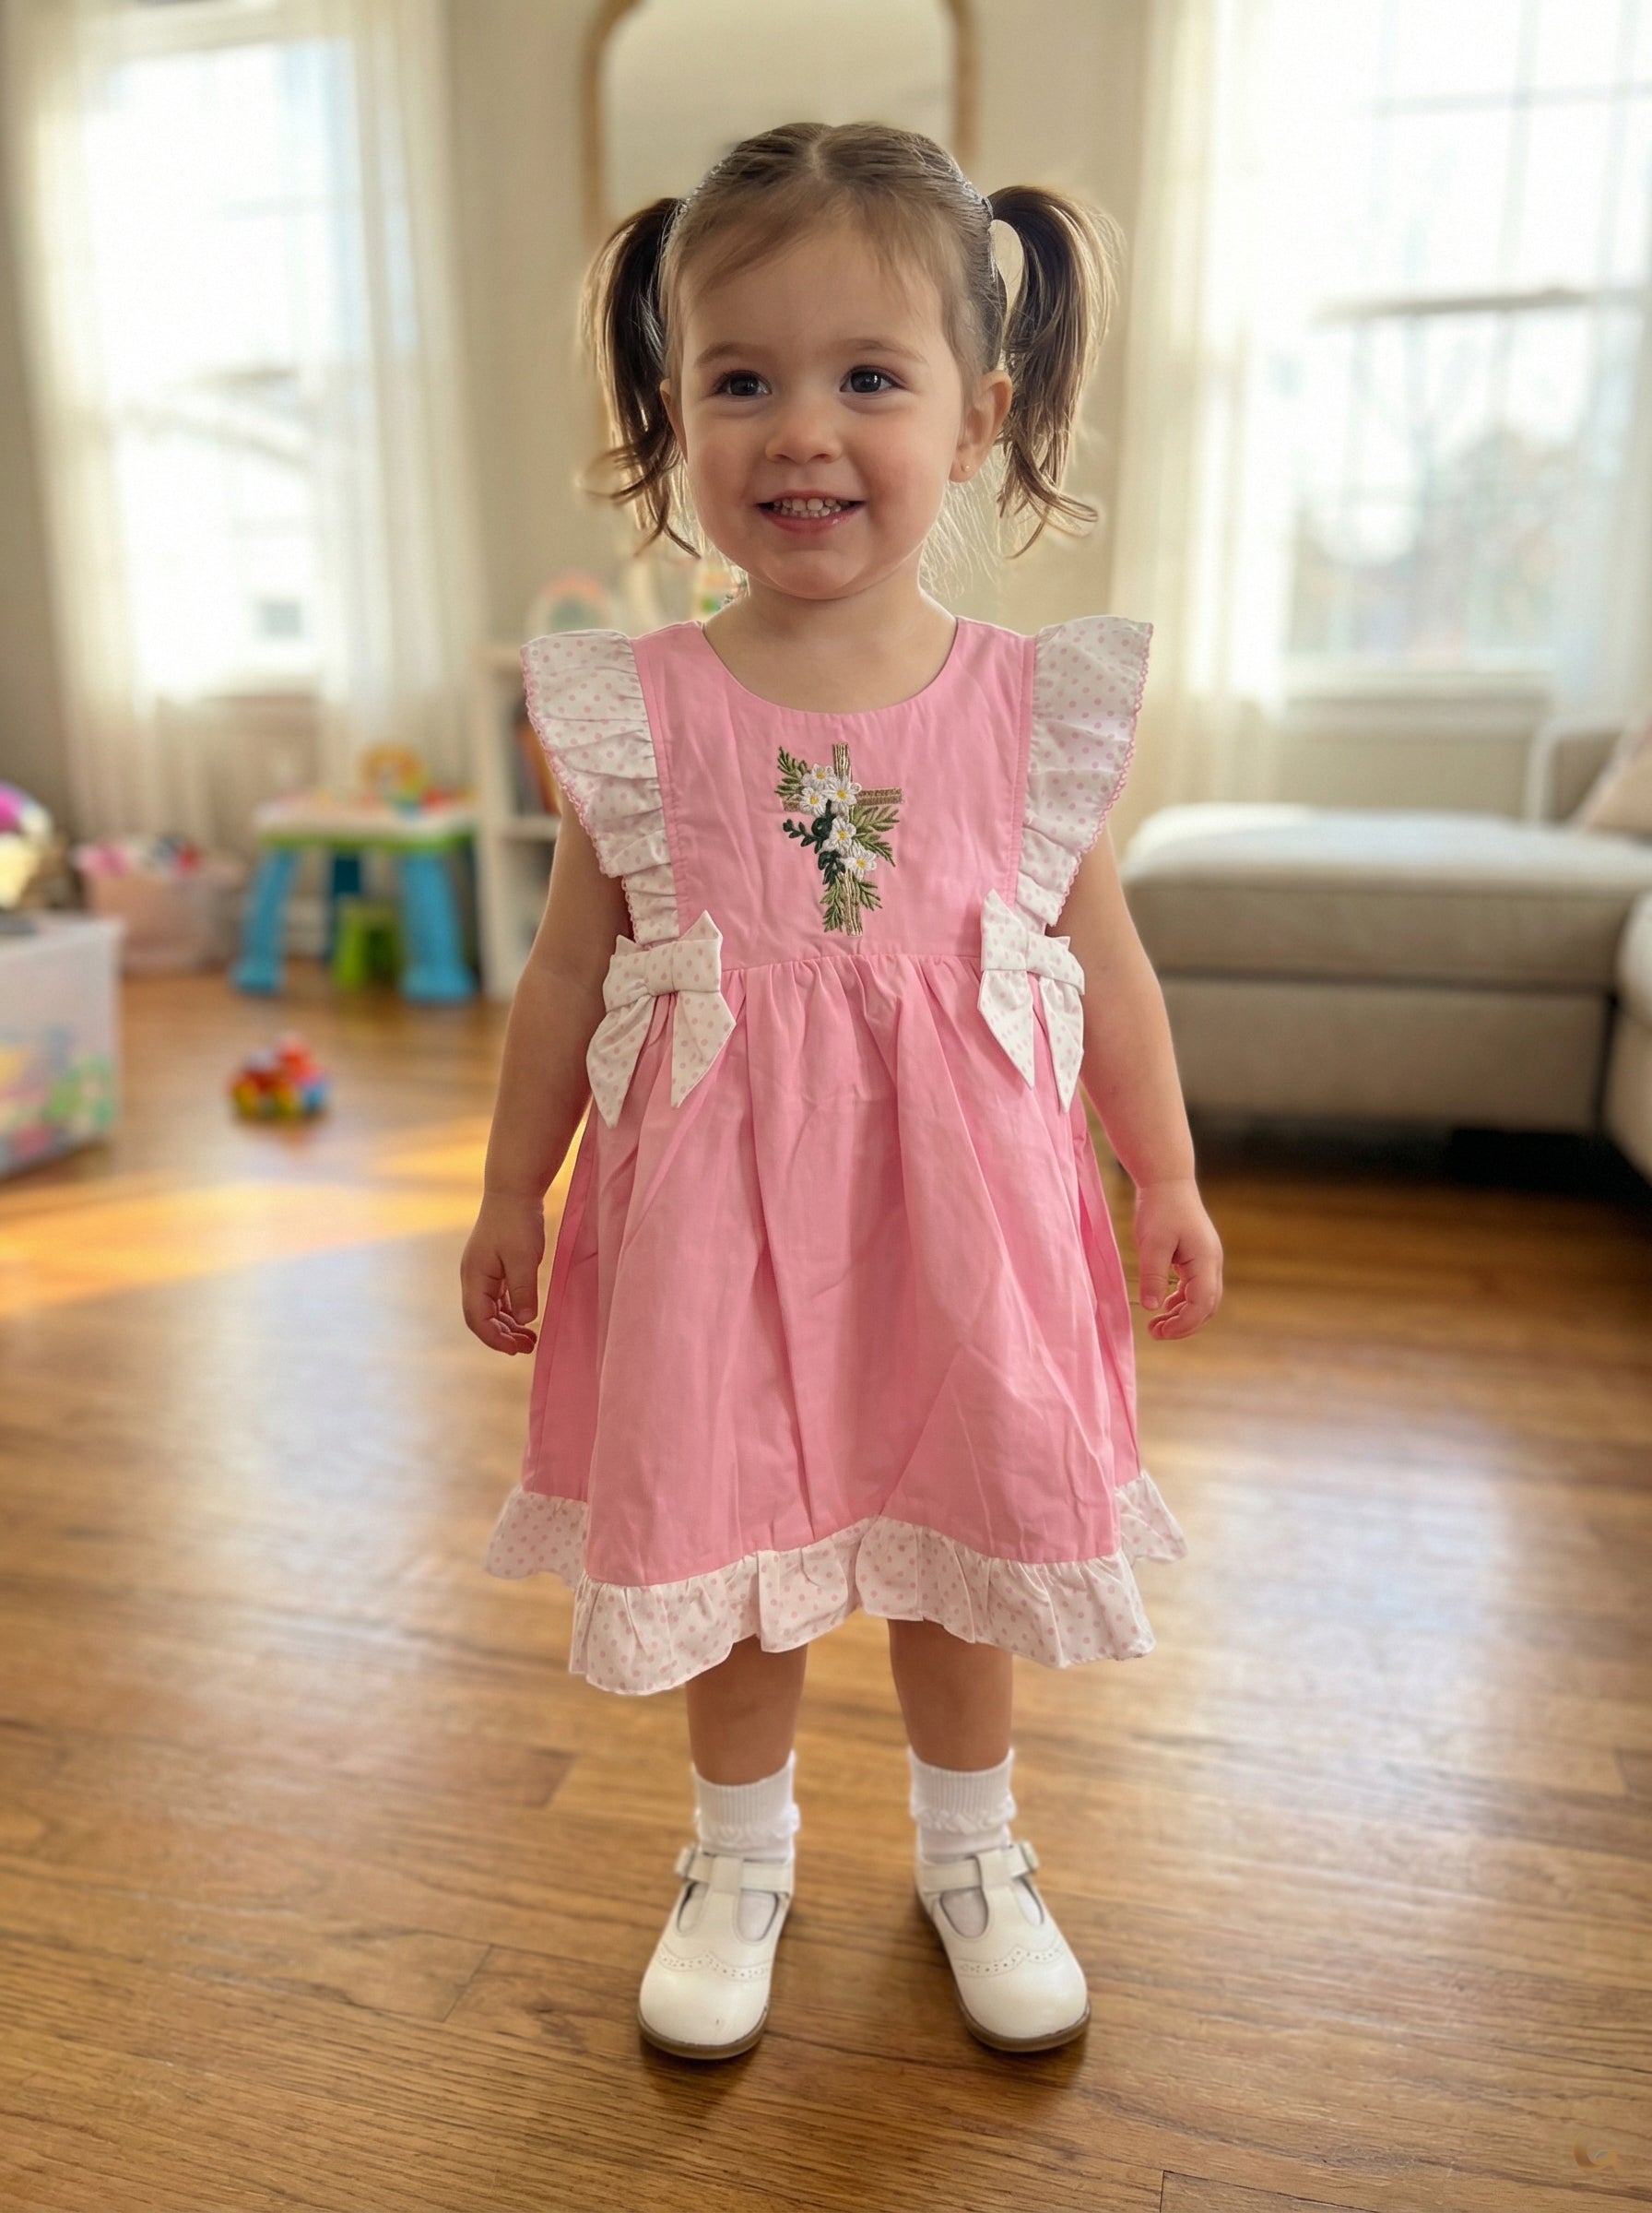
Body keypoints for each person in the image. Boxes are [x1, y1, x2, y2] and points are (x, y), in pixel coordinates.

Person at [461, 120, 1223, 2065]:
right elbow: (567, 977)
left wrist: (1162, 1176)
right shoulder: (635, 716)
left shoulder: (1026, 710)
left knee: (952, 1547)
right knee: (738, 1564)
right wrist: (504, 1193)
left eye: (864, 379)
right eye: (741, 381)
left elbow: (1101, 963)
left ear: (971, 422)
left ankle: (974, 1850)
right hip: (719, 1238)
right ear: (671, 419)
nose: (800, 431)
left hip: (959, 1236)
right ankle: (737, 1854)